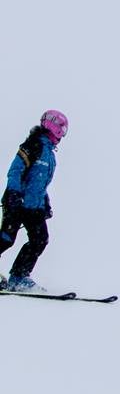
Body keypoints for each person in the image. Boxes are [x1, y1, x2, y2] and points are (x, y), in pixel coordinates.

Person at [0, 111, 66, 292]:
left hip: (33, 207)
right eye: (62, 128)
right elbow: (15, 171)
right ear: (52, 126)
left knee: (40, 240)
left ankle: (18, 278)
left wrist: (45, 203)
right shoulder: (32, 145)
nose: (63, 133)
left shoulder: (49, 154)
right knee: (6, 239)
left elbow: (39, 183)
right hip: (17, 202)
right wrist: (13, 194)